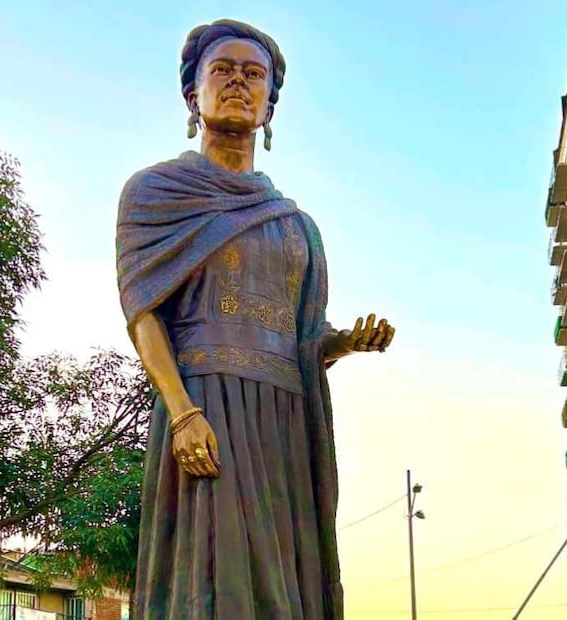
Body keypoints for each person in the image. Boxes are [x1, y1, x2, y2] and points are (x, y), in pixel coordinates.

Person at [115, 19, 395, 619]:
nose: (238, 82)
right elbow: (143, 313)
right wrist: (182, 411)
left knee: (284, 580)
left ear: (270, 105)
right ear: (192, 95)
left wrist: (345, 342)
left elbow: (303, 337)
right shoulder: (154, 193)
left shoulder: (296, 224)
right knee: (215, 576)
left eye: (253, 74)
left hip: (284, 421)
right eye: (222, 70)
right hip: (206, 405)